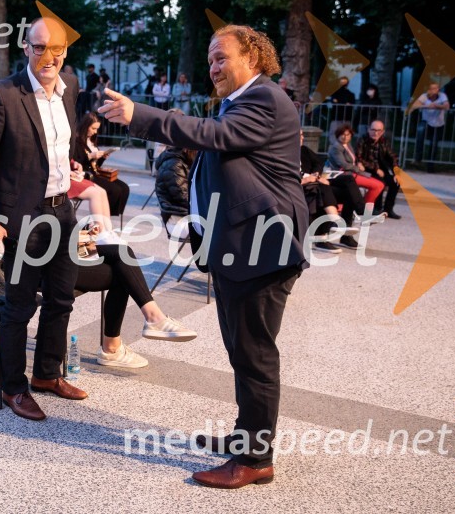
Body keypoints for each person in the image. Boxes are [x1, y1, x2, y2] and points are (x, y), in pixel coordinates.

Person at [100, 24, 309, 488]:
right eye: (210, 59)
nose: (213, 66)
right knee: (243, 350)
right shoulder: (242, 100)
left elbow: (216, 135)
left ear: (253, 60)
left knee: (254, 354)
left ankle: (255, 460)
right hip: (241, 245)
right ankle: (246, 438)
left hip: (262, 248)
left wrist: (141, 115)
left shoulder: (266, 99)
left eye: (222, 57)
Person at [0, 17, 89, 421]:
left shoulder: (69, 91)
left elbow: (56, 146)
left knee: (61, 300)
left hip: (62, 212)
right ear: (25, 48)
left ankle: (47, 374)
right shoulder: (3, 94)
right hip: (21, 220)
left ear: (65, 51)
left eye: (55, 48)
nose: (47, 56)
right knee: (19, 309)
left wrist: (72, 166)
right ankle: (13, 386)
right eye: (38, 47)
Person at [75, 236, 196, 369]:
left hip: (70, 249)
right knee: (123, 272)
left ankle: (152, 319)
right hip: (54, 261)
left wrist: (84, 236)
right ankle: (115, 345)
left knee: (123, 254)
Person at [74, 112, 129, 221]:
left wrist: (102, 157)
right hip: (86, 174)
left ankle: (110, 216)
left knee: (124, 188)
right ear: (86, 126)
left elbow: (96, 165)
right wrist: (90, 156)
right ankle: (104, 218)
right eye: (93, 128)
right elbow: (76, 162)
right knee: (114, 189)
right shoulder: (76, 141)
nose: (95, 132)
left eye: (97, 129)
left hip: (94, 172)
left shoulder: (92, 141)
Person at [326, 124, 385, 213]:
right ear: (338, 135)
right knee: (377, 185)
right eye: (343, 134)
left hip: (353, 172)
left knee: (379, 184)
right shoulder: (336, 147)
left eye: (348, 135)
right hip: (345, 174)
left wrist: (358, 163)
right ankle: (364, 209)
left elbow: (353, 159)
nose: (345, 137)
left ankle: (365, 208)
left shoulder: (347, 145)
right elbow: (344, 165)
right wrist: (358, 169)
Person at [357, 119, 402, 219]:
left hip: (382, 170)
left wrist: (396, 172)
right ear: (368, 130)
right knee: (379, 182)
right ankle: (377, 208)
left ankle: (388, 209)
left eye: (378, 130)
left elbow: (393, 157)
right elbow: (359, 158)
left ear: (382, 132)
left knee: (396, 182)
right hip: (368, 171)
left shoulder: (384, 142)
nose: (375, 133)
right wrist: (375, 169)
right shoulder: (362, 140)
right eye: (373, 130)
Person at [154, 143, 195, 236]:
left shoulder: (183, 160)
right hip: (177, 220)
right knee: (220, 228)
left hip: (186, 215)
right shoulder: (174, 165)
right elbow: (184, 198)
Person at [410, 82, 449, 171]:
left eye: (435, 88)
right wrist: (427, 106)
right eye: (431, 88)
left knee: (434, 143)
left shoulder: (442, 96)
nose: (433, 91)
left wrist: (436, 106)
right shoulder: (424, 96)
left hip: (438, 124)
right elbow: (414, 105)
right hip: (426, 121)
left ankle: (430, 165)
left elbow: (446, 106)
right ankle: (418, 159)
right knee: (420, 134)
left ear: (438, 89)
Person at [328, 76, 356, 146]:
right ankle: (335, 146)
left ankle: (345, 148)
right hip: (336, 116)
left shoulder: (350, 94)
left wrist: (339, 101)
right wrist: (344, 103)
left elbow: (351, 103)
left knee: (346, 133)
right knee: (333, 133)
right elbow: (333, 100)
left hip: (346, 117)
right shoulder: (335, 93)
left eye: (344, 82)